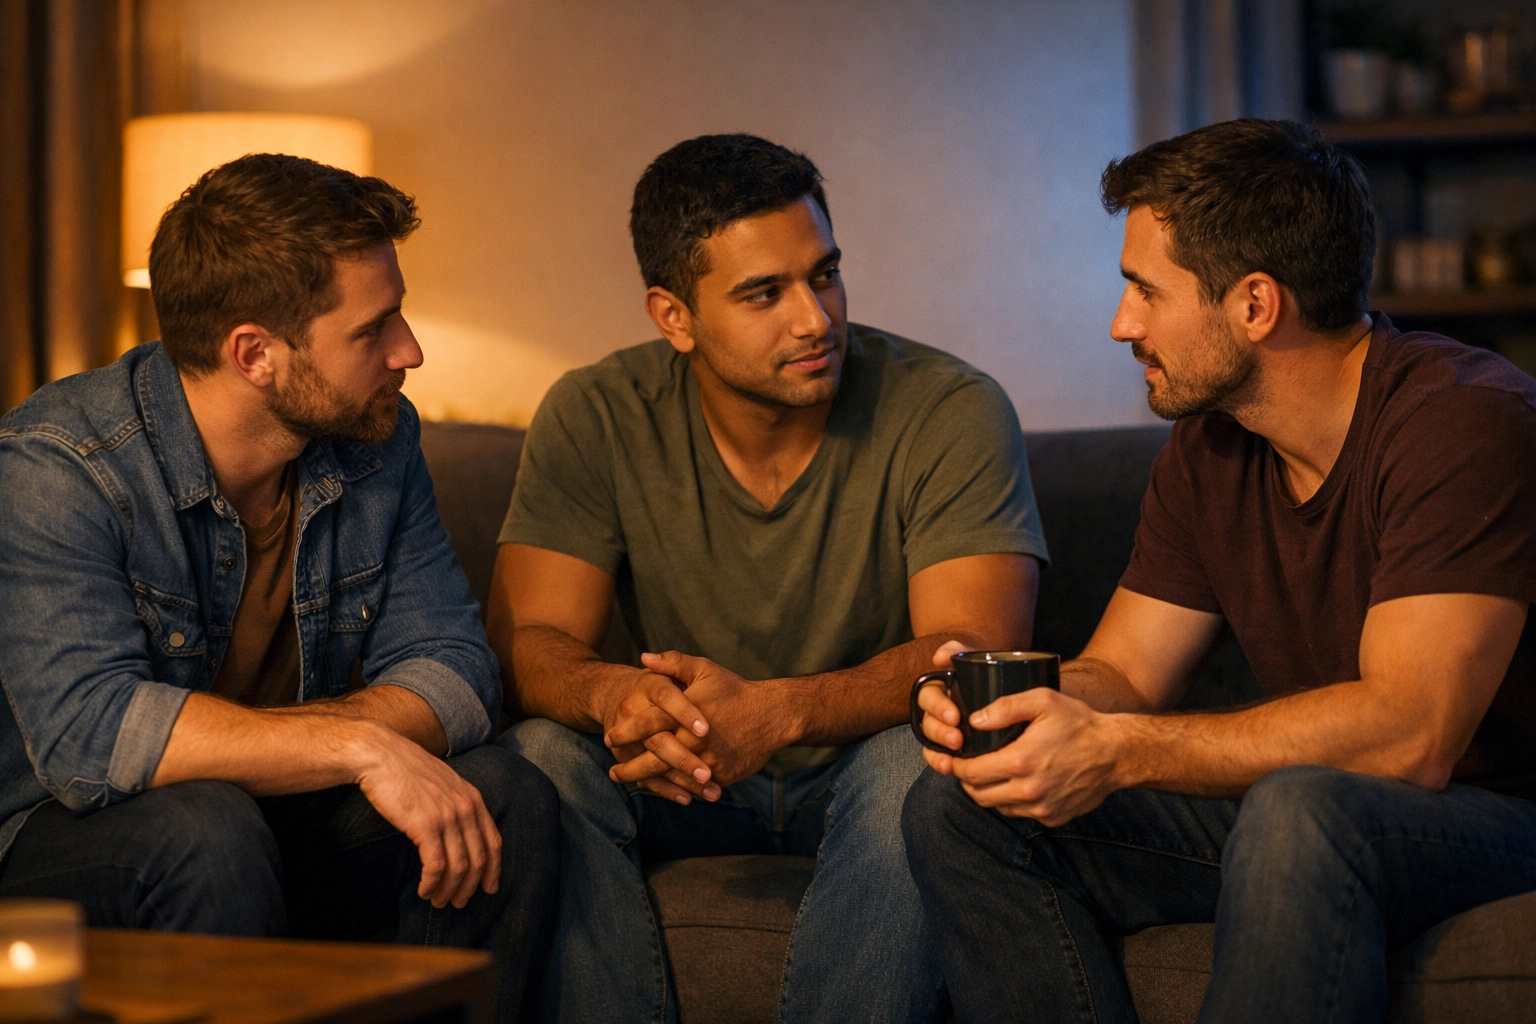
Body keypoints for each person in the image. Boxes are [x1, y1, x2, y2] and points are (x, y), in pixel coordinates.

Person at [903, 116, 1536, 1024]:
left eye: (1144, 291)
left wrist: (1123, 752)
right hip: (1320, 808)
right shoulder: (1212, 447)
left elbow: (1414, 731)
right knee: (963, 809)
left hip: (1498, 820)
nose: (1121, 324)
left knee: (1299, 813)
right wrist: (1016, 709)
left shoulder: (1463, 422)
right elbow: (1123, 673)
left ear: (1254, 305)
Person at [488, 133, 1048, 1024]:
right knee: (542, 756)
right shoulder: (595, 411)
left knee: (927, 758)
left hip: (862, 766)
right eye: (764, 294)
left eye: (823, 274)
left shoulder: (949, 406)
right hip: (686, 774)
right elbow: (528, 644)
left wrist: (778, 711)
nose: (816, 318)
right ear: (674, 317)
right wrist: (613, 695)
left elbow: (973, 650)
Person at [0, 154, 558, 1022]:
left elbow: (452, 666)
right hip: (65, 838)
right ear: (254, 352)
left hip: (277, 816)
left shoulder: (379, 441)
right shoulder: (58, 466)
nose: (410, 351)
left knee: (503, 792)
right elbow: (89, 736)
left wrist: (337, 747)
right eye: (375, 329)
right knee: (204, 829)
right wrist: (358, 747)